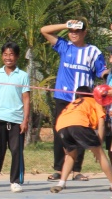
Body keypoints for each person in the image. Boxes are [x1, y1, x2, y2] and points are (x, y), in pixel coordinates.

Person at [41, 20, 105, 182]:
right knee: (60, 133)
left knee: (81, 132)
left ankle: (77, 170)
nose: (74, 34)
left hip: (83, 101)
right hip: (63, 97)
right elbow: (44, 30)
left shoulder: (94, 52)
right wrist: (66, 25)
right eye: (72, 31)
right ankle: (58, 169)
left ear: (84, 33)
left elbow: (101, 71)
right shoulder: (65, 46)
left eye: (77, 31)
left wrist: (107, 74)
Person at [0, 42, 30, 193]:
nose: (8, 58)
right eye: (5, 54)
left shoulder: (23, 76)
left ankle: (15, 181)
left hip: (16, 120)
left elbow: (26, 99)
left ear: (17, 56)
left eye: (11, 54)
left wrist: (25, 120)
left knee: (16, 151)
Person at [50, 86, 112, 194]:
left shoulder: (73, 103)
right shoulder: (95, 101)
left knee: (70, 155)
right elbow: (101, 124)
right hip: (78, 123)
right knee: (100, 154)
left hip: (61, 126)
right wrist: (99, 143)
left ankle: (61, 183)